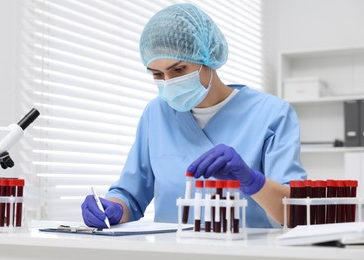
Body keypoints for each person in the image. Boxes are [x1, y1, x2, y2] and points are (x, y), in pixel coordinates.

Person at [81, 3, 307, 229]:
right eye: (158, 74)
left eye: (179, 70)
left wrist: (251, 180)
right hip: (172, 250)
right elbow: (130, 194)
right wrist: (114, 208)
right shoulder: (156, 113)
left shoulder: (272, 114)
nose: (168, 82)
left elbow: (294, 213)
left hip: (244, 251)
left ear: (208, 58)